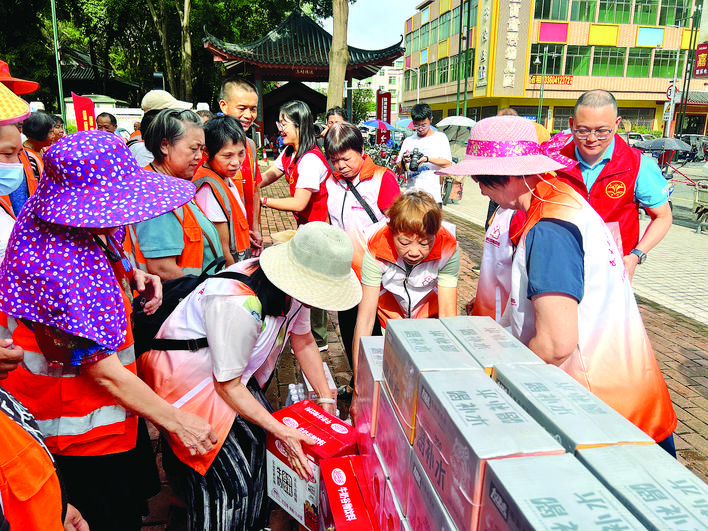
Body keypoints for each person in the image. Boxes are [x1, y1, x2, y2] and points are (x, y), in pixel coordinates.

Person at [0, 131, 218, 531]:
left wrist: (134, 273)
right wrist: (176, 421)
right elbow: (100, 370)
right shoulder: (57, 264)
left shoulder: (76, 222)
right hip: (75, 432)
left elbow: (106, 250)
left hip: (113, 418)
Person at [440, 115, 677, 454]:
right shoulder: (560, 197)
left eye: (481, 178)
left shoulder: (549, 228)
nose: (479, 188)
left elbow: (556, 342)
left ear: (507, 176)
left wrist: (498, 382)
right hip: (629, 395)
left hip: (604, 412)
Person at [138, 222, 362, 530]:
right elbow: (227, 385)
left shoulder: (297, 288)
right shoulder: (238, 300)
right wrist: (281, 430)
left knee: (260, 454)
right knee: (228, 482)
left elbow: (304, 338)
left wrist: (326, 394)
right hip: (189, 381)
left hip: (230, 375)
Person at [557, 89, 672, 281]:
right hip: (559, 265)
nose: (592, 139)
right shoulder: (555, 161)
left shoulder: (637, 165)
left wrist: (636, 255)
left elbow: (663, 217)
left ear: (616, 124)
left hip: (611, 273)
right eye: (583, 130)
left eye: (602, 131)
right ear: (571, 124)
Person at [351, 191, 459, 376]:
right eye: (405, 242)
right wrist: (359, 379)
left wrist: (451, 372)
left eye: (425, 243)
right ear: (392, 231)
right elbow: (365, 318)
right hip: (391, 318)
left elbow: (448, 315)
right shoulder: (376, 245)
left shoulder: (447, 245)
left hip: (428, 319)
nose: (414, 252)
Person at [323, 122, 400, 369]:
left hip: (376, 276)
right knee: (348, 329)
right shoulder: (331, 181)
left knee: (375, 336)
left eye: (345, 159)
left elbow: (398, 226)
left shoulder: (382, 178)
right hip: (345, 275)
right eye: (334, 160)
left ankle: (377, 387)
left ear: (361, 150)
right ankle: (359, 381)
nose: (340, 166)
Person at [261, 100, 331, 351]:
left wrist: (263, 200)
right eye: (279, 122)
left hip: (318, 229)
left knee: (313, 282)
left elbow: (300, 203)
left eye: (284, 123)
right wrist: (249, 186)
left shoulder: (310, 159)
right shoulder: (290, 152)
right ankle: (304, 331)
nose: (280, 127)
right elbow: (271, 173)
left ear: (300, 125)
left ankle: (318, 338)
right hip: (307, 228)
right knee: (305, 280)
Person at [127, 108, 224, 280]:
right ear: (164, 145)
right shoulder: (156, 194)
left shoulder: (172, 185)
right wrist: (197, 297)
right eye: (194, 148)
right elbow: (161, 267)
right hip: (178, 300)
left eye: (202, 149)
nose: (199, 156)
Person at [193, 114, 250, 266]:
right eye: (227, 156)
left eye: (241, 153)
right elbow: (222, 251)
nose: (236, 162)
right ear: (206, 153)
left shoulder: (223, 176)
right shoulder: (208, 190)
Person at [219, 78, 263, 256]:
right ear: (224, 106)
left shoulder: (250, 146)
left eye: (253, 109)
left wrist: (255, 229)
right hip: (223, 242)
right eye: (242, 108)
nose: (248, 115)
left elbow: (255, 189)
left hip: (246, 237)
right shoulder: (210, 145)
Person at [395, 103, 453, 204]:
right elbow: (398, 171)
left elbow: (448, 163)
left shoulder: (440, 138)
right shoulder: (408, 141)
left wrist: (427, 159)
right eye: (416, 125)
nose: (420, 129)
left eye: (423, 125)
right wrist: (403, 162)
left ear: (431, 120)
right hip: (411, 197)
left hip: (432, 198)